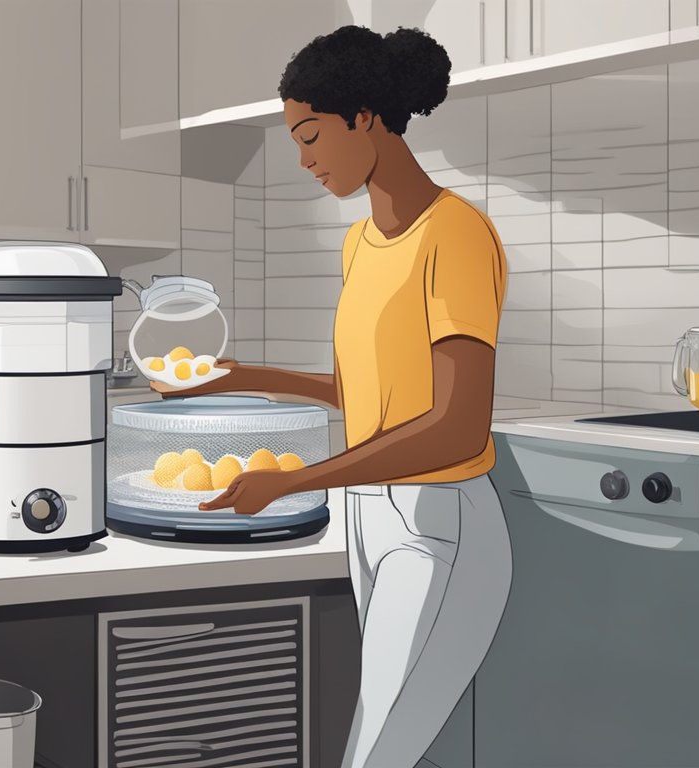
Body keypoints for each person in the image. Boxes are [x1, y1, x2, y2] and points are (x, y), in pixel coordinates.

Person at [154, 24, 512, 768]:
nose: (305, 158)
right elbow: (369, 393)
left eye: (312, 135)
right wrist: (247, 377)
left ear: (368, 120)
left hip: (438, 522)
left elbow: (454, 424)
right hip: (369, 514)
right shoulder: (361, 244)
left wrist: (294, 482)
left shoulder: (457, 236)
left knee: (375, 754)